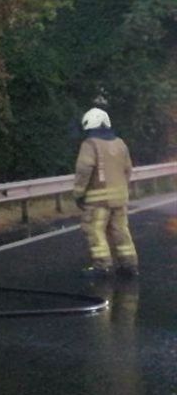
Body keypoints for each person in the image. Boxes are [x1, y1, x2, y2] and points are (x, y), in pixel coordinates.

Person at [72, 108, 138, 277]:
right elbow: (128, 169)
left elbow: (83, 170)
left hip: (97, 200)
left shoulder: (90, 144)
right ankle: (129, 264)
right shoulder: (120, 143)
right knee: (121, 230)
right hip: (120, 198)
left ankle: (103, 266)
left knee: (95, 230)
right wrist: (122, 190)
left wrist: (78, 194)